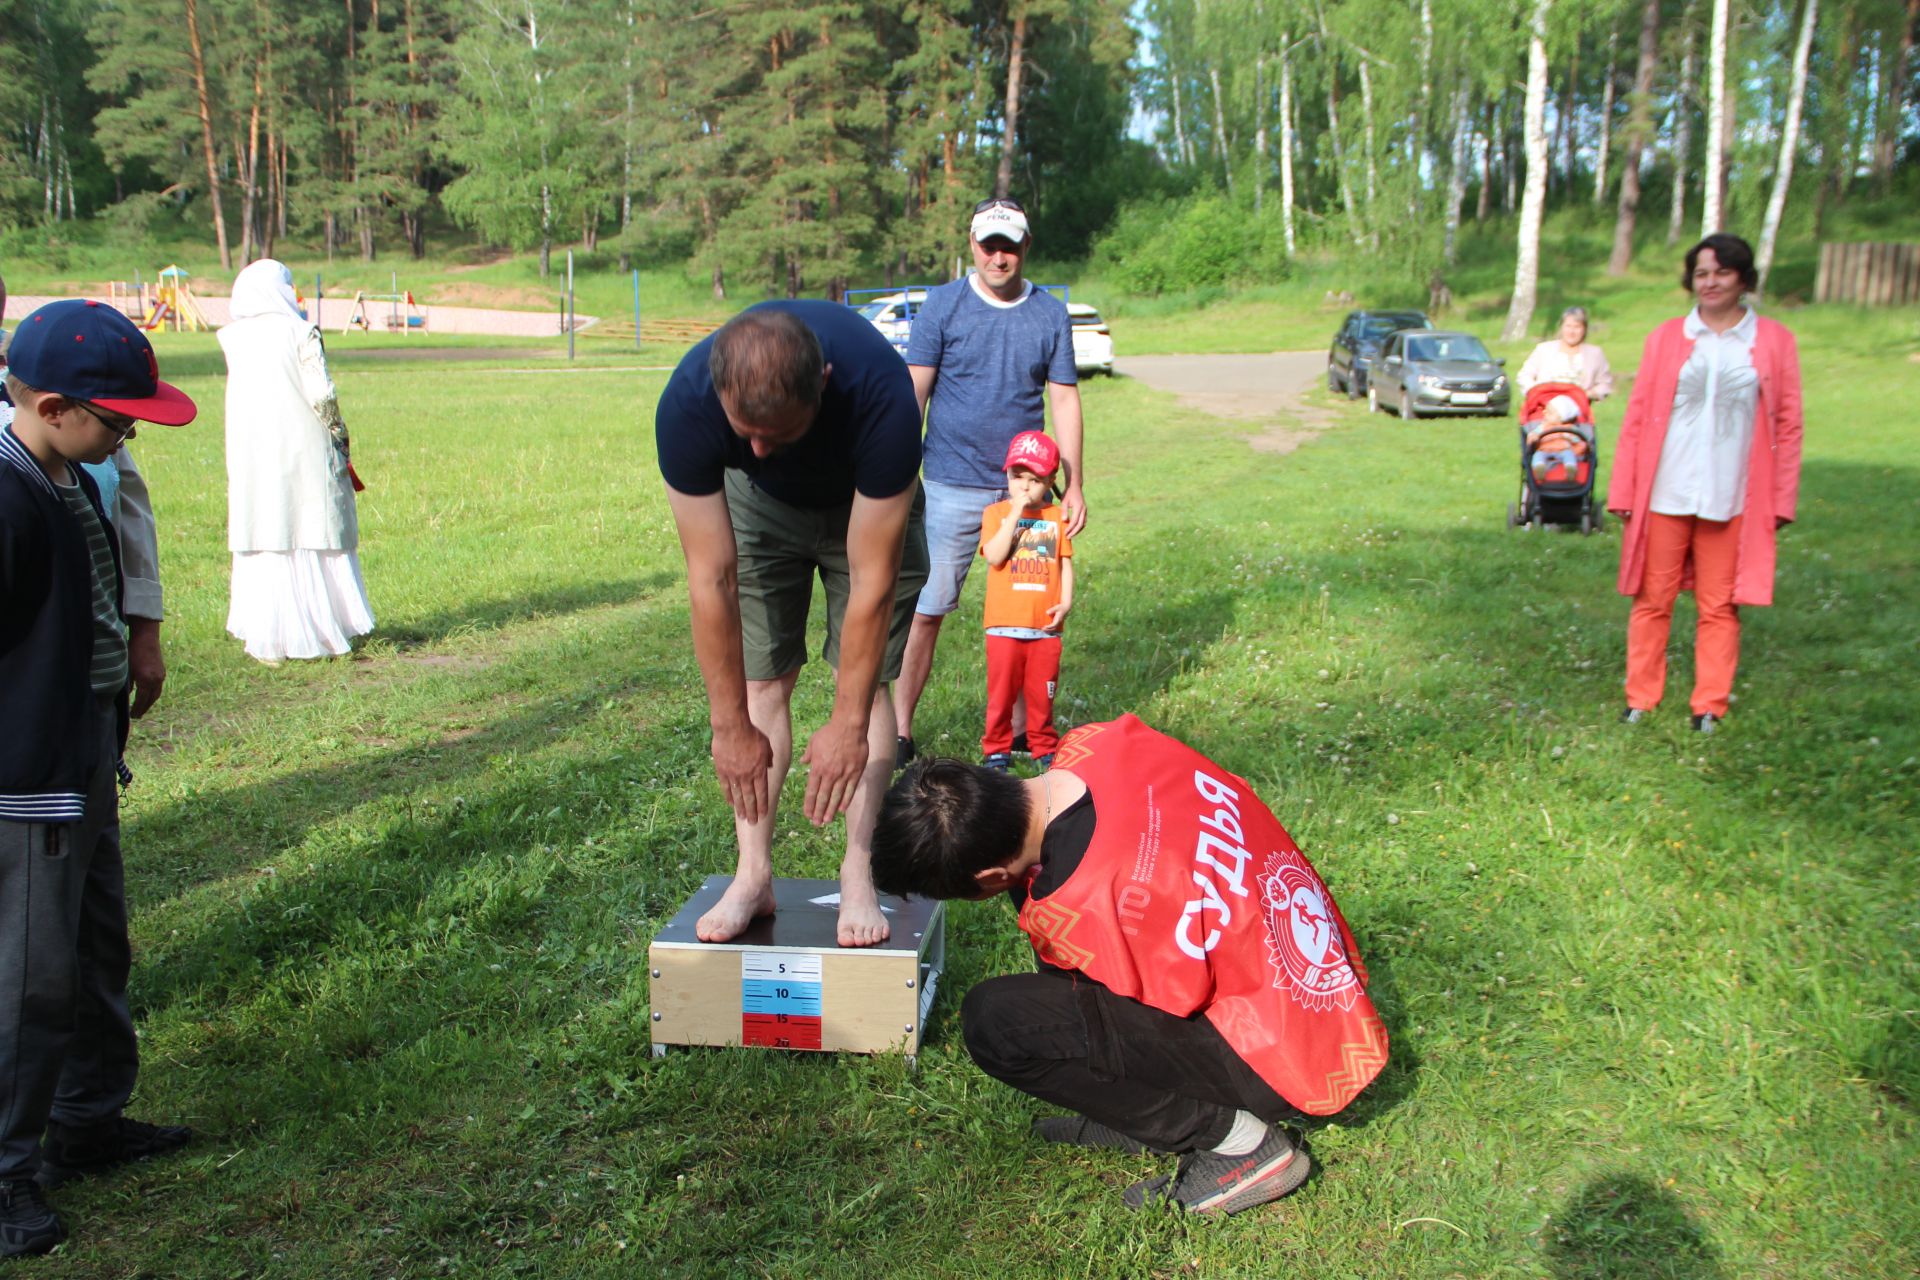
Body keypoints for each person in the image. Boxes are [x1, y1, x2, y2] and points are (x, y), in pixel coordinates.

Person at [870, 715, 1389, 1216]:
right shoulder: (1098, 743)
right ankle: (1134, 1109)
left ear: (988, 876)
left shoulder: (1074, 899)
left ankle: (1238, 1143)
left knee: (999, 1023)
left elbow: (1157, 1000)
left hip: (1277, 1052)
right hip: (1325, 993)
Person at [0, 300, 198, 1257]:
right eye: (116, 421)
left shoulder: (67, 471)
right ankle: (4, 1173)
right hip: (28, 782)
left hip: (83, 759)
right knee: (28, 982)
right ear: (48, 403)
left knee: (94, 953)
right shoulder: (7, 496)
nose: (125, 438)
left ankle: (87, 1117)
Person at [656, 302, 929, 947]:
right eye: (744, 431)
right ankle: (753, 875)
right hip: (759, 509)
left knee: (871, 689)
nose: (756, 448)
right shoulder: (690, 403)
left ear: (824, 382)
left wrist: (847, 723)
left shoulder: (882, 400)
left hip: (863, 502)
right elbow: (711, 579)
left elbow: (871, 584)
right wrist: (729, 729)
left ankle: (858, 872)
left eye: (776, 434)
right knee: (762, 684)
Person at [889, 198, 1086, 766]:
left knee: (1030, 613)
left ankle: (1023, 733)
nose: (999, 256)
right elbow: (914, 392)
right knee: (927, 609)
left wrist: (1071, 484)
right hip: (950, 481)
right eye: (988, 244)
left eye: (1010, 245)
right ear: (972, 244)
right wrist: (897, 474)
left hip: (1026, 489)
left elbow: (1065, 398)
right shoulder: (943, 306)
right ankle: (901, 731)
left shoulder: (1049, 314)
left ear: (1026, 246)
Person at [1607, 233, 1803, 733]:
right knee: (1653, 599)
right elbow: (1636, 419)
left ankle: (1709, 705)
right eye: (1701, 273)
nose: (1710, 282)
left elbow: (1788, 426)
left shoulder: (1774, 341)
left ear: (1743, 278)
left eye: (1721, 272)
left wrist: (1780, 500)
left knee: (1720, 605)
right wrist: (1625, 490)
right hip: (1666, 492)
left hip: (1733, 496)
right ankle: (1640, 698)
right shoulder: (1666, 338)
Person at [219, 258, 374, 664]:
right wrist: (339, 434)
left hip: (253, 448)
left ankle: (270, 634)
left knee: (268, 521)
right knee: (309, 523)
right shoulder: (300, 331)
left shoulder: (232, 337)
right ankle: (325, 630)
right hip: (303, 441)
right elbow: (321, 393)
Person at [978, 431, 1073, 770]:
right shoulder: (995, 514)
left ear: (1050, 480)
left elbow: (1064, 562)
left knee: (1042, 693)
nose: (1025, 486)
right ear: (1007, 474)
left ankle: (1044, 746)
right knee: (1001, 695)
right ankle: (996, 749)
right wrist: (1014, 513)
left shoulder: (1057, 516)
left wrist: (1066, 602)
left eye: (1035, 479)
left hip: (1044, 627)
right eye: (1018, 476)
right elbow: (995, 556)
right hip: (1003, 625)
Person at [1516, 306, 1615, 401]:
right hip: (1544, 406)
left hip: (1579, 408)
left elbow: (1605, 384)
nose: (1571, 331)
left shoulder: (1595, 353)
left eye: (1577, 327)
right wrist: (1538, 393)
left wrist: (1587, 395)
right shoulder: (1544, 349)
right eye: (1568, 326)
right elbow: (1524, 376)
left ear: (1584, 329)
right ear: (1561, 327)